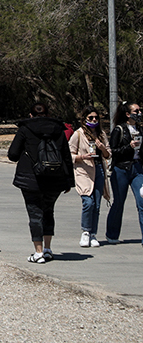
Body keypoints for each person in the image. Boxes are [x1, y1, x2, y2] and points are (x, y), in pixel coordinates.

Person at [8, 103, 74, 264]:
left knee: (35, 214)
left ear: (30, 115)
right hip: (55, 178)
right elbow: (66, 155)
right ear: (48, 114)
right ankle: (48, 249)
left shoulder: (25, 129)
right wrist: (69, 181)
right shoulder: (59, 129)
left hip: (30, 179)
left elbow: (13, 154)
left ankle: (38, 252)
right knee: (48, 212)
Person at [69, 107, 111, 248]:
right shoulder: (78, 134)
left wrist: (102, 147)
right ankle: (85, 231)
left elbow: (108, 154)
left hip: (99, 170)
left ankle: (93, 233)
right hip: (84, 171)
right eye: (91, 118)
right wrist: (82, 157)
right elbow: (69, 154)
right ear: (84, 119)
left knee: (97, 204)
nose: (94, 120)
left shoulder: (101, 134)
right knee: (88, 202)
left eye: (96, 118)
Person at [105, 102, 143, 244]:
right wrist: (129, 147)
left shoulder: (140, 129)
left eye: (139, 111)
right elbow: (112, 151)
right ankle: (112, 234)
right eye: (136, 111)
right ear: (128, 114)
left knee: (142, 201)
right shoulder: (119, 130)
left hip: (137, 169)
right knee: (119, 202)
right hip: (121, 169)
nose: (139, 113)